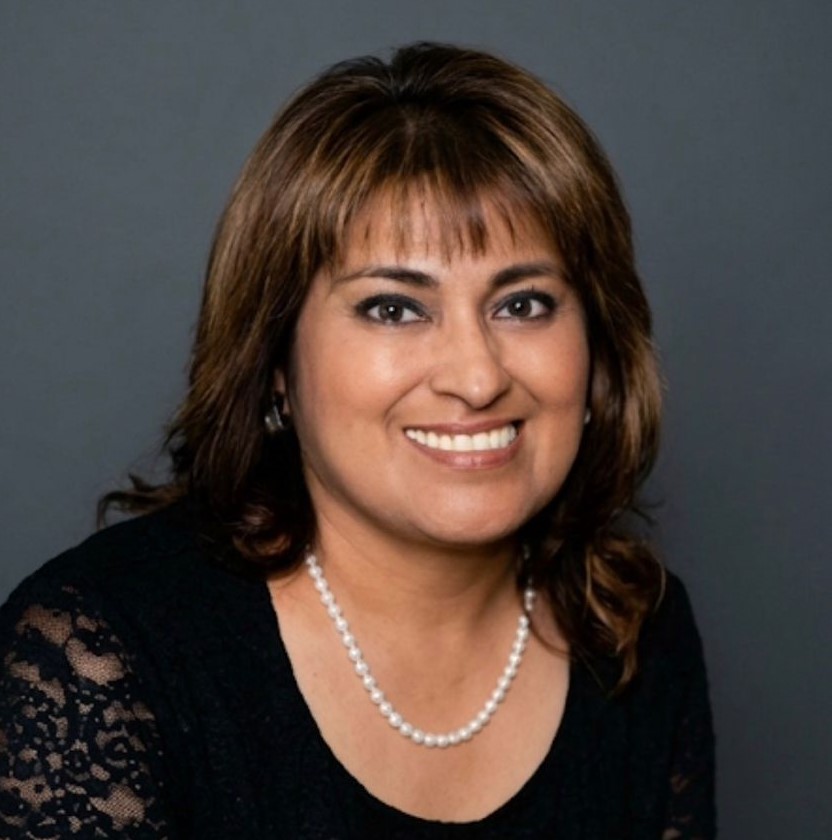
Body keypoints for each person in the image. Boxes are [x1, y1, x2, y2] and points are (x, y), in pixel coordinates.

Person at [0, 42, 715, 838]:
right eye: (393, 308)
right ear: (276, 359)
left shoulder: (634, 631)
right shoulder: (98, 654)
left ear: (598, 342)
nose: (477, 378)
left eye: (523, 304)